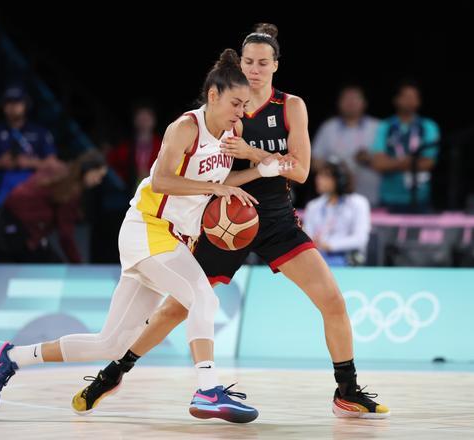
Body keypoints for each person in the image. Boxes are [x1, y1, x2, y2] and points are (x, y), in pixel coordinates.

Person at [75, 23, 389, 420]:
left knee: (332, 300)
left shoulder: (290, 106)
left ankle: (347, 390)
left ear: (276, 65)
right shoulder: (226, 105)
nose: (255, 70)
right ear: (238, 65)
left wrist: (251, 151)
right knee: (176, 309)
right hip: (223, 219)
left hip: (274, 218)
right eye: (248, 62)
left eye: (263, 63)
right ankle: (113, 371)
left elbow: (302, 170)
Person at [0, 49, 289, 423]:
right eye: (236, 103)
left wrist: (259, 172)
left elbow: (217, 183)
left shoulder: (231, 132)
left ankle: (9, 356)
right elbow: (161, 180)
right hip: (147, 228)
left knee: (110, 343)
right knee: (203, 299)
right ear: (213, 96)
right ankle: (208, 389)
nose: (242, 112)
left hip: (174, 239)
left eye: (245, 105)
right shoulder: (185, 129)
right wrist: (219, 189)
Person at [0, 84, 59, 261]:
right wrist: (0, 162)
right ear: (3, 106)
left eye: (17, 102)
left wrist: (29, 162)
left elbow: (55, 165)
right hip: (0, 198)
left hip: (32, 199)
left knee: (30, 245)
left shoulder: (39, 132)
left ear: (25, 105)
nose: (13, 107)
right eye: (9, 103)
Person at [0, 149, 108, 263]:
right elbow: (65, 235)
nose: (99, 181)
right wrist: (78, 265)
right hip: (17, 229)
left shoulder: (62, 171)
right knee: (48, 268)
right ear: (88, 169)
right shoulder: (71, 188)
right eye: (99, 175)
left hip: (12, 220)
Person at [370, 79, 440, 213]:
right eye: (406, 96)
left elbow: (428, 163)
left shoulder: (428, 126)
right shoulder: (385, 126)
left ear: (419, 101)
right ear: (396, 100)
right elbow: (379, 164)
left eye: (414, 97)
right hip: (389, 198)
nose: (410, 101)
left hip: (420, 198)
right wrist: (410, 162)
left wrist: (392, 163)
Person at [312, 85, 381, 204]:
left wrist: (369, 159)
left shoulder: (378, 127)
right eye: (346, 99)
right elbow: (314, 162)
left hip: (372, 197)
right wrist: (335, 166)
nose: (351, 102)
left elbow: (389, 161)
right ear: (338, 103)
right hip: (334, 199)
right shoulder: (328, 128)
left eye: (355, 98)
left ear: (364, 103)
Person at [304, 158, 371, 266]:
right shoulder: (313, 206)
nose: (318, 179)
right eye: (319, 175)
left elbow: (360, 239)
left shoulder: (359, 203)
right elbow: (308, 236)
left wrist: (330, 245)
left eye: (326, 176)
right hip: (316, 258)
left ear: (340, 179)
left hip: (346, 260)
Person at [106, 101, 162, 189]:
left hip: (154, 191)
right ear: (134, 121)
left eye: (147, 119)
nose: (144, 123)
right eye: (140, 119)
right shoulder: (125, 146)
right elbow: (112, 166)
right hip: (127, 189)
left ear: (153, 121)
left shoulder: (163, 146)